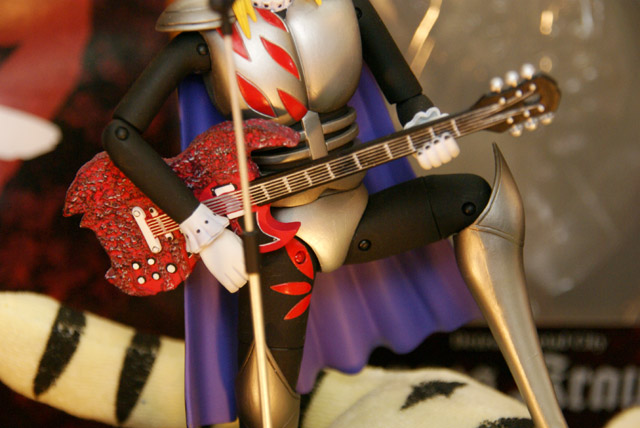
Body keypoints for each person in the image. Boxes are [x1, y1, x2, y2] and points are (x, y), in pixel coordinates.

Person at [96, 1, 565, 427]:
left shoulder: (343, 9)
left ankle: (547, 413)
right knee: (266, 382)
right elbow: (121, 133)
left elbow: (406, 95)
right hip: (278, 238)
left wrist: (422, 119)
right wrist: (202, 226)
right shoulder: (207, 36)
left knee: (482, 201)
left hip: (359, 210)